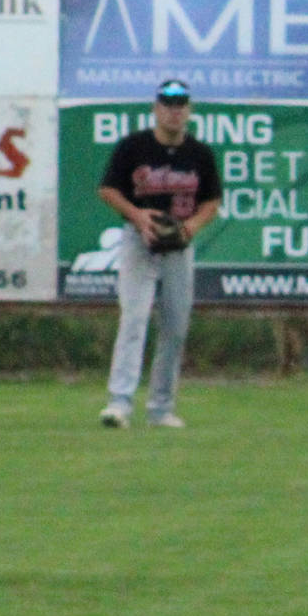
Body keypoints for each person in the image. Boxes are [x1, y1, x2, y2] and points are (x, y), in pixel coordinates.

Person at [97, 79, 223, 428]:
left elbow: (212, 201)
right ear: (156, 109)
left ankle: (161, 408)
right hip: (140, 240)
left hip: (178, 244)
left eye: (180, 104)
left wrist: (189, 228)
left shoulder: (199, 154)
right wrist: (137, 216)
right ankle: (119, 402)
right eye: (168, 104)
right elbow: (107, 189)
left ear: (189, 111)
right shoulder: (133, 147)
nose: (174, 110)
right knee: (134, 318)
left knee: (176, 324)